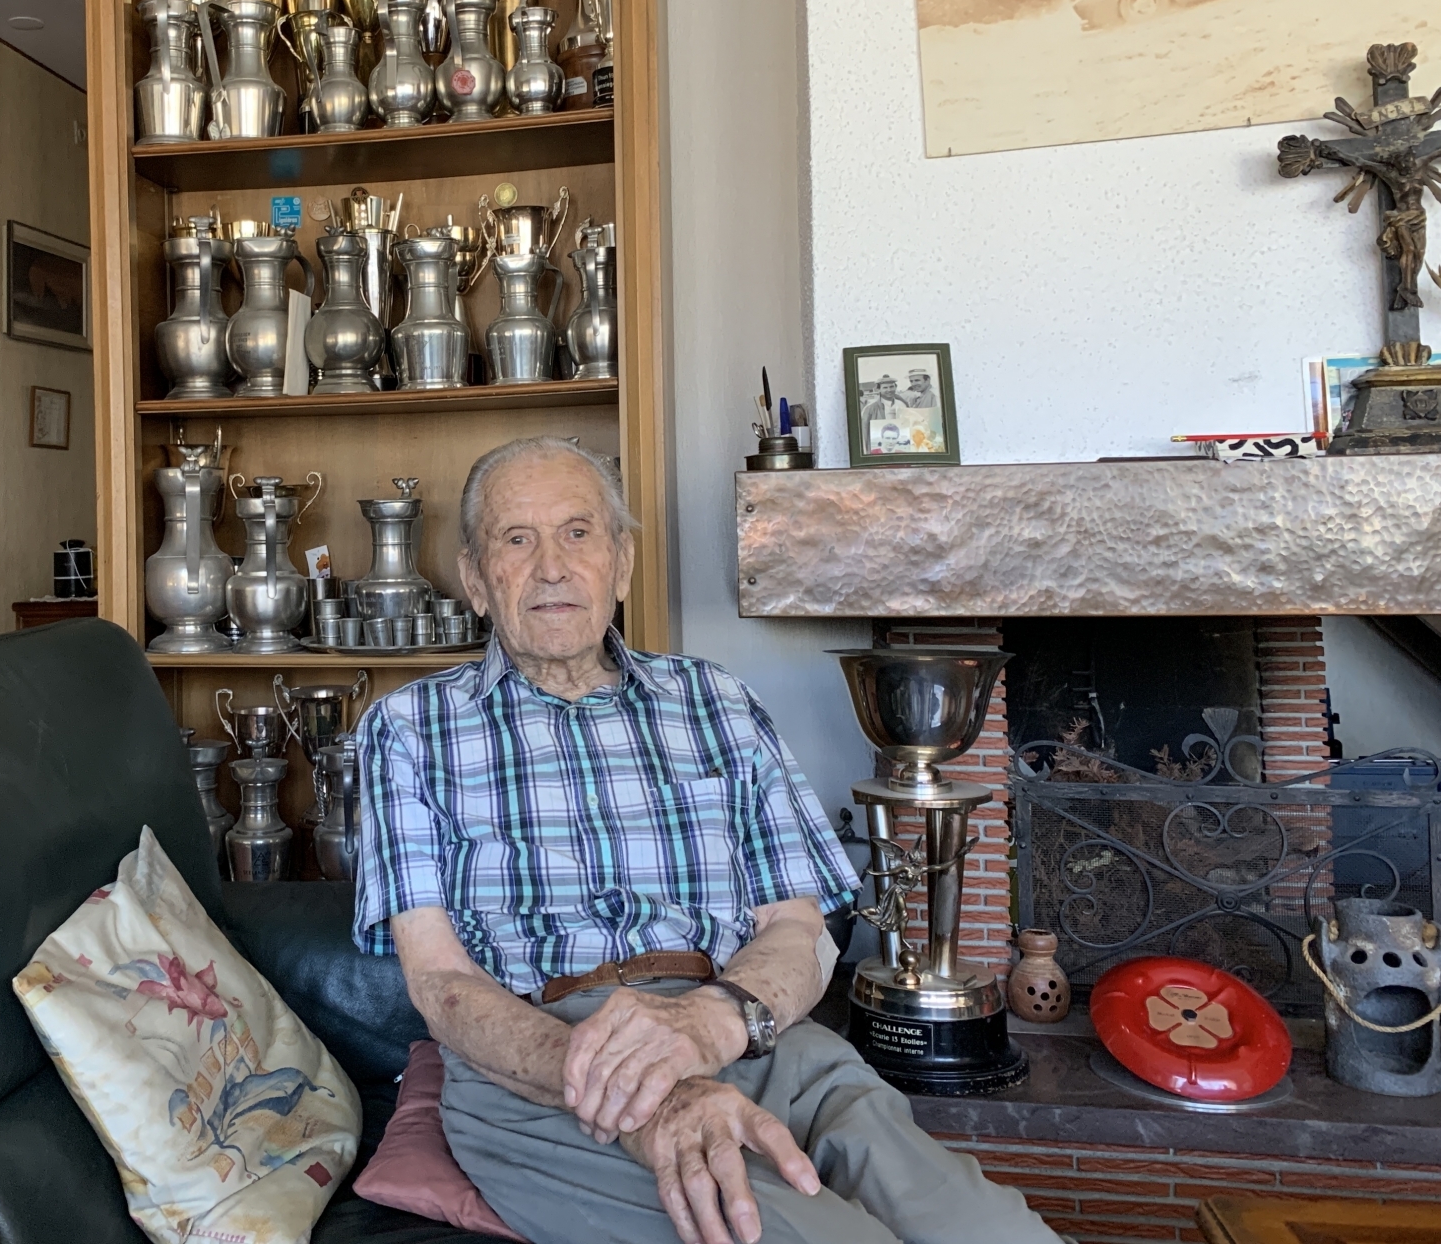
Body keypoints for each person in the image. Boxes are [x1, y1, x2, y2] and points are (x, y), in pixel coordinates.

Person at [352, 437, 1058, 1244]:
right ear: (477, 579)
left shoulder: (715, 702)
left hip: (746, 1025)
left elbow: (798, 934)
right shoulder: (410, 730)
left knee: (987, 1227)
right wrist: (644, 1084)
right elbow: (441, 983)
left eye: (579, 532)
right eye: (517, 539)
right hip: (545, 1069)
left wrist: (708, 1025)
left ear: (620, 563)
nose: (551, 566)